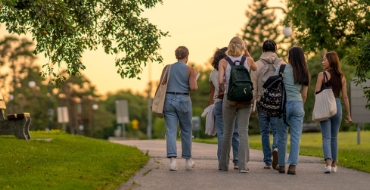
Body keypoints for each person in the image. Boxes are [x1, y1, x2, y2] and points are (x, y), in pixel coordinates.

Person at [218, 36, 257, 173]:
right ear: (243, 47)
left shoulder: (223, 61)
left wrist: (225, 90)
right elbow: (255, 68)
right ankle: (243, 166)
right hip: (245, 98)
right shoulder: (248, 60)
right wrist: (246, 53)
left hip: (230, 98)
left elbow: (220, 82)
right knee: (243, 131)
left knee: (227, 132)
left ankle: (223, 165)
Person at [156, 46, 198, 171]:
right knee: (186, 130)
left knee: (170, 131)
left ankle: (173, 162)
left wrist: (156, 102)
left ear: (176, 56)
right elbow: (193, 87)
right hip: (183, 100)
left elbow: (161, 84)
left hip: (168, 100)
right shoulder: (190, 70)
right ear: (187, 56)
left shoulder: (167, 68)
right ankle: (188, 161)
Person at [315, 52, 352, 173]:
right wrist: (349, 115)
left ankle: (328, 164)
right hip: (337, 106)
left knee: (326, 136)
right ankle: (334, 165)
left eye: (324, 60)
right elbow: (345, 97)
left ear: (331, 60)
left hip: (325, 106)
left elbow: (317, 93)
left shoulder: (322, 75)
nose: (323, 62)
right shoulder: (342, 76)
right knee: (334, 137)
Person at [251, 40, 285, 170]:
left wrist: (253, 103)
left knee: (264, 132)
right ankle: (276, 147)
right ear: (275, 49)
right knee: (277, 130)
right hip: (277, 102)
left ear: (262, 49)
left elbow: (253, 85)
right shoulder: (282, 64)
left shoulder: (257, 65)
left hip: (262, 102)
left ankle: (267, 161)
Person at [276, 46, 310, 175]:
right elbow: (304, 95)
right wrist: (299, 104)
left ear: (290, 56)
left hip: (282, 105)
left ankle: (281, 165)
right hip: (297, 104)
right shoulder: (304, 71)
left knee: (282, 136)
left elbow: (275, 85)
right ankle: (293, 166)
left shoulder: (282, 68)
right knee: (296, 136)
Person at [209, 47, 240, 169]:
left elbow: (211, 92)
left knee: (222, 133)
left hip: (218, 103)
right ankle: (237, 161)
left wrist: (211, 105)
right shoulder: (232, 69)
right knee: (235, 132)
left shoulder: (213, 73)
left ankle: (222, 161)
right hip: (232, 102)